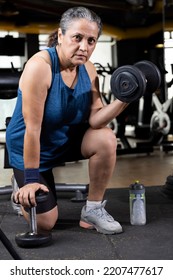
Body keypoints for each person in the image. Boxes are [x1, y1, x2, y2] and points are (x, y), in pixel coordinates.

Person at [6, 6, 128, 235]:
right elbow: (32, 130)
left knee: (106, 137)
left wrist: (125, 99)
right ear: (60, 36)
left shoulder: (89, 70)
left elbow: (96, 120)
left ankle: (92, 209)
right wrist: (31, 180)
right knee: (45, 224)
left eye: (91, 41)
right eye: (77, 37)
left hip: (64, 141)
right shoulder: (39, 67)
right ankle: (21, 182)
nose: (84, 47)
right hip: (32, 149)